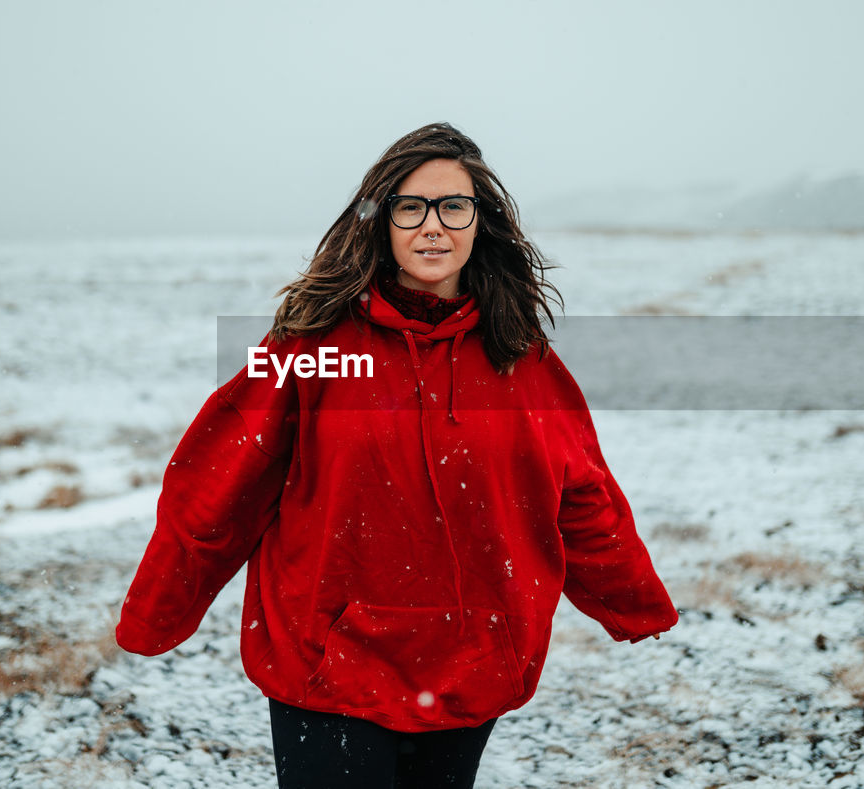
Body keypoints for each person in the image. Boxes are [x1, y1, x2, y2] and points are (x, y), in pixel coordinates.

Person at [115, 123, 678, 788]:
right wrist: (159, 609)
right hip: (327, 662)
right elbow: (219, 482)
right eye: (411, 207)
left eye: (452, 206)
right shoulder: (316, 345)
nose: (432, 226)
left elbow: (580, 491)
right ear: (380, 221)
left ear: (479, 222)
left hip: (471, 664)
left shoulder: (518, 356)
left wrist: (631, 600)